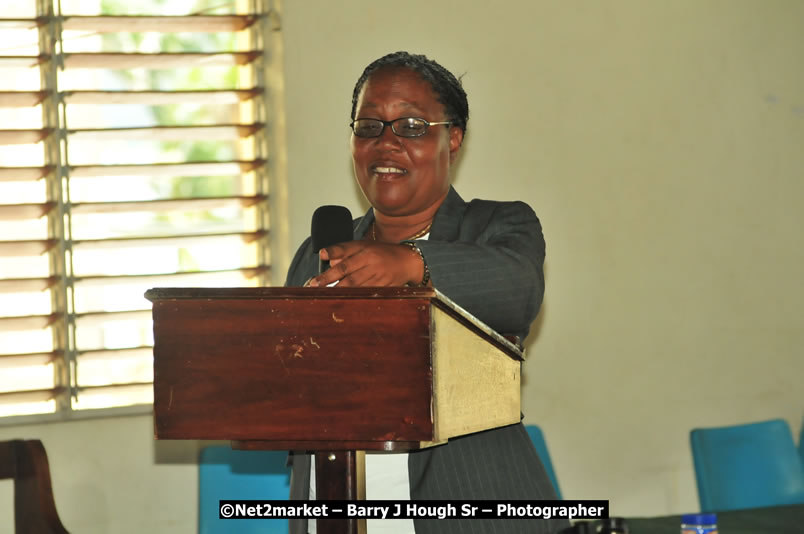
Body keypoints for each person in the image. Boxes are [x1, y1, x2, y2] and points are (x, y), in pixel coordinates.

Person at [285, 51, 568, 534]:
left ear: (451, 138)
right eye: (369, 126)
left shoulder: (497, 226)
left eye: (412, 126)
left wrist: (412, 263)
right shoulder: (320, 251)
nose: (387, 143)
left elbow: (517, 290)